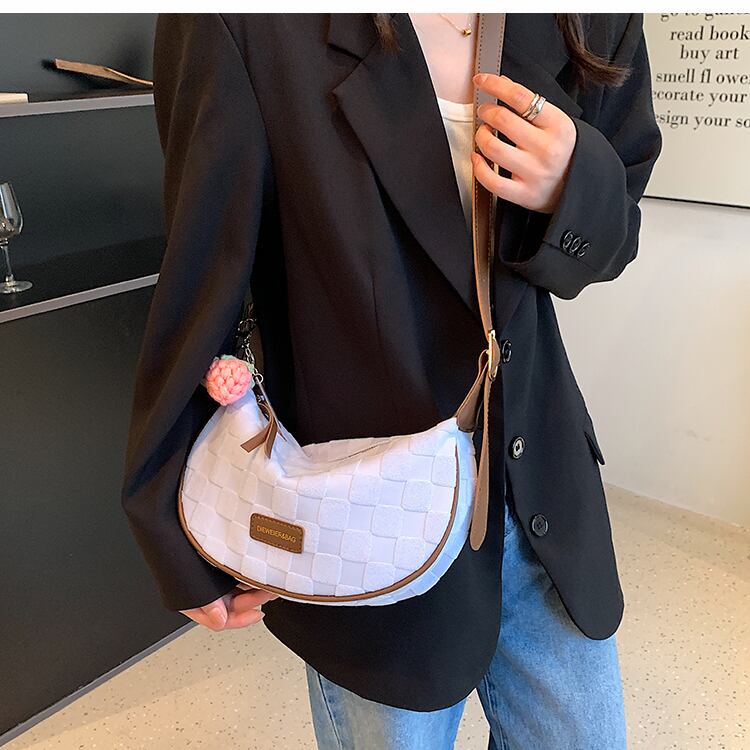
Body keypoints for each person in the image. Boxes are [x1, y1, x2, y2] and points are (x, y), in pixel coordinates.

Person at [121, 12, 663, 749]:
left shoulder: (589, 15)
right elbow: (203, 269)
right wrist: (169, 510)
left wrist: (572, 184)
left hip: (539, 494)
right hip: (360, 510)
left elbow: (614, 227)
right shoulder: (244, 22)